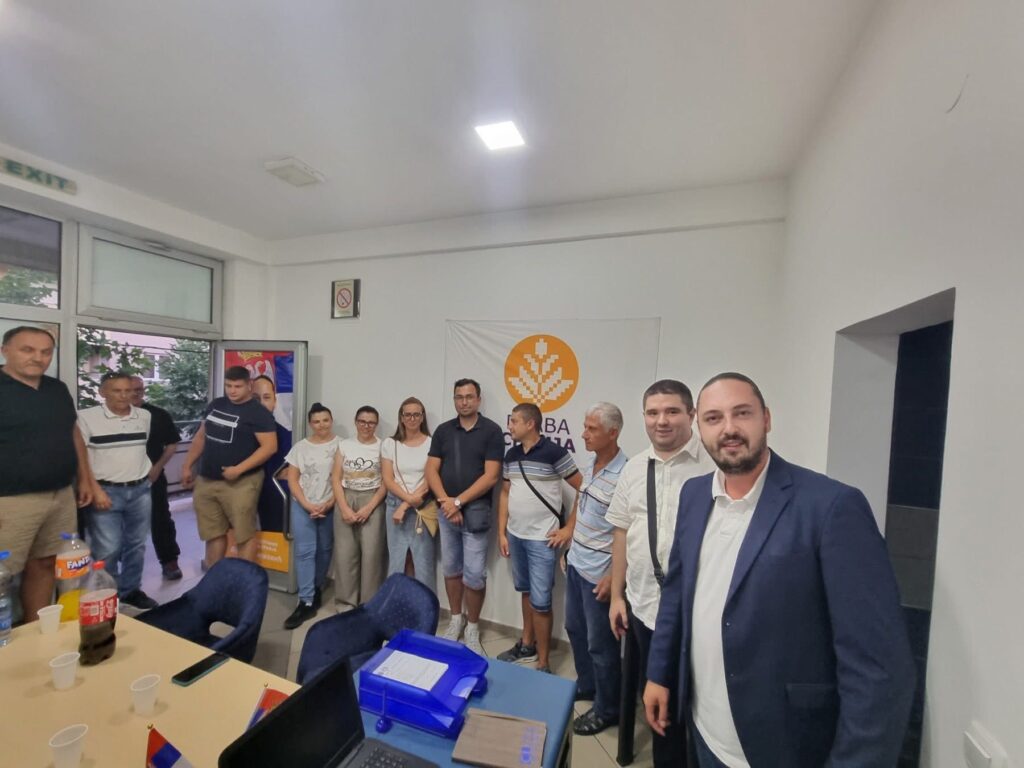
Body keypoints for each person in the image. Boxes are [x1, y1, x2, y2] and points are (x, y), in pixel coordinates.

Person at [644, 373, 916, 767]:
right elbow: (676, 593)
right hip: (705, 732)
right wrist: (659, 673)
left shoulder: (831, 507)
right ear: (699, 428)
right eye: (714, 418)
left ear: (766, 419)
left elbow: (879, 670)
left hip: (784, 744)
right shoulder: (695, 495)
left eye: (742, 413)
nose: (729, 428)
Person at [606, 379, 713, 767]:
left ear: (691, 414)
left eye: (671, 411)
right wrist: (617, 596)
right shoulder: (634, 468)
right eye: (653, 413)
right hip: (646, 607)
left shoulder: (713, 465)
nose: (661, 421)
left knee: (704, 707)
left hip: (701, 611)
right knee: (659, 706)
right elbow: (622, 532)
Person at [0, 326, 95, 621]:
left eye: (45, 352)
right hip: (11, 500)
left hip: (60, 494)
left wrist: (85, 478)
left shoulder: (56, 389)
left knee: (46, 564)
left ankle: (37, 628)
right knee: (3, 574)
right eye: (27, 350)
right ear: (5, 350)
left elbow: (73, 433)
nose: (37, 358)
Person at [496, 402, 581, 672]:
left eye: (514, 421)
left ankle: (544, 663)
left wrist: (569, 528)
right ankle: (527, 645)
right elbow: (505, 493)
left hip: (543, 539)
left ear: (530, 424)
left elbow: (584, 488)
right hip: (516, 535)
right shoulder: (511, 455)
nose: (510, 426)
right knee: (526, 591)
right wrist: (501, 532)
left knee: (541, 603)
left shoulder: (555, 452)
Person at [424, 379, 505, 655]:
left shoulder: (492, 431)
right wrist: (447, 503)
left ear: (478, 399)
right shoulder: (444, 431)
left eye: (469, 396)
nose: (464, 401)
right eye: (459, 397)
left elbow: (491, 476)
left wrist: (458, 502)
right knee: (451, 568)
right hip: (446, 510)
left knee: (474, 574)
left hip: (476, 512)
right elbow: (431, 470)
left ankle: (472, 626)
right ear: (454, 400)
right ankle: (456, 619)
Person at [563, 402, 628, 736]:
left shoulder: (626, 475)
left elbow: (629, 531)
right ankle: (587, 686)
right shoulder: (591, 463)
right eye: (585, 427)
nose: (584, 434)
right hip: (577, 564)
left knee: (601, 646)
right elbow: (581, 502)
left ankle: (607, 709)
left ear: (612, 433)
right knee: (575, 630)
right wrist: (570, 537)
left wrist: (614, 578)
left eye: (592, 429)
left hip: (600, 575)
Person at [181, 365, 277, 566]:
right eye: (228, 386)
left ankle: (242, 579)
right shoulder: (216, 404)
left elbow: (269, 448)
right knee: (213, 533)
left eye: (237, 386)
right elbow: (201, 437)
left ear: (249, 385)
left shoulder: (258, 413)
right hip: (207, 479)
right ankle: (214, 577)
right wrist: (187, 465)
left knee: (244, 535)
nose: (232, 391)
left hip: (241, 483)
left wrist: (238, 469)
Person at [78, 371, 158, 609]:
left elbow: (139, 449)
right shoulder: (86, 417)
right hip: (106, 491)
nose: (124, 396)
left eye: (128, 391)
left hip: (140, 490)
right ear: (103, 392)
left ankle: (131, 590)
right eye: (117, 391)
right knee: (107, 548)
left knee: (137, 544)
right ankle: (107, 595)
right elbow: (81, 457)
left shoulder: (144, 416)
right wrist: (94, 489)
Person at [281, 402, 339, 629]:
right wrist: (307, 505)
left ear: (331, 421)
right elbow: (292, 479)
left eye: (325, 420)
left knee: (325, 549)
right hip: (303, 506)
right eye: (316, 421)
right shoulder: (300, 447)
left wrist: (328, 503)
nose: (321, 425)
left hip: (329, 506)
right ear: (310, 424)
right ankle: (305, 601)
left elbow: (342, 479)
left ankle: (316, 589)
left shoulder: (341, 445)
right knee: (305, 552)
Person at [330, 406, 387, 610]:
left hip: (373, 499)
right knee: (345, 554)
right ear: (355, 422)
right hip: (346, 498)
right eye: (362, 421)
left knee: (372, 555)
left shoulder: (383, 446)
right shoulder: (344, 445)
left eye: (371, 423)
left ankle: (368, 604)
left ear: (376, 425)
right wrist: (344, 508)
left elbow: (386, 481)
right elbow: (336, 478)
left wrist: (369, 508)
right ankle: (345, 603)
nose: (366, 426)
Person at [380, 397, 437, 593]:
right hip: (394, 504)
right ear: (401, 417)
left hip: (423, 507)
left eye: (416, 414)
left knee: (423, 563)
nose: (412, 419)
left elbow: (431, 478)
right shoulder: (390, 443)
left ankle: (424, 606)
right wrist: (406, 500)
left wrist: (407, 504)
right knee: (397, 560)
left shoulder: (432, 443)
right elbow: (388, 479)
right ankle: (396, 604)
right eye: (408, 415)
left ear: (422, 417)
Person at [129, 376, 183, 581]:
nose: (135, 393)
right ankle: (122, 571)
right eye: (130, 389)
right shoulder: (112, 416)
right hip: (119, 481)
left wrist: (158, 467)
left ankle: (169, 561)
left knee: (160, 519)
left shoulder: (158, 415)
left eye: (139, 389)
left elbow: (172, 444)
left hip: (152, 477)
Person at [252, 374, 292, 533]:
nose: (261, 403)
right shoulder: (238, 431)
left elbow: (286, 472)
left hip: (271, 498)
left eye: (267, 397)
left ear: (275, 401)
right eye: (256, 398)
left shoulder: (285, 435)